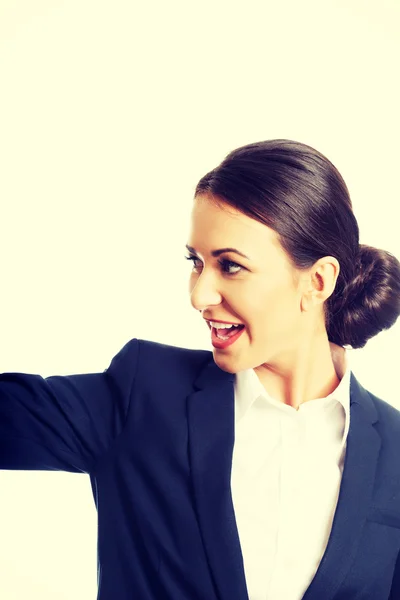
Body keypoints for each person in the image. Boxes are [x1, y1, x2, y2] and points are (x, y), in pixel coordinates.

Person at [1, 139, 400, 600]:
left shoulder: (393, 451)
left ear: (317, 281)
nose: (199, 295)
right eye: (196, 262)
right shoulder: (142, 395)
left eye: (230, 266)